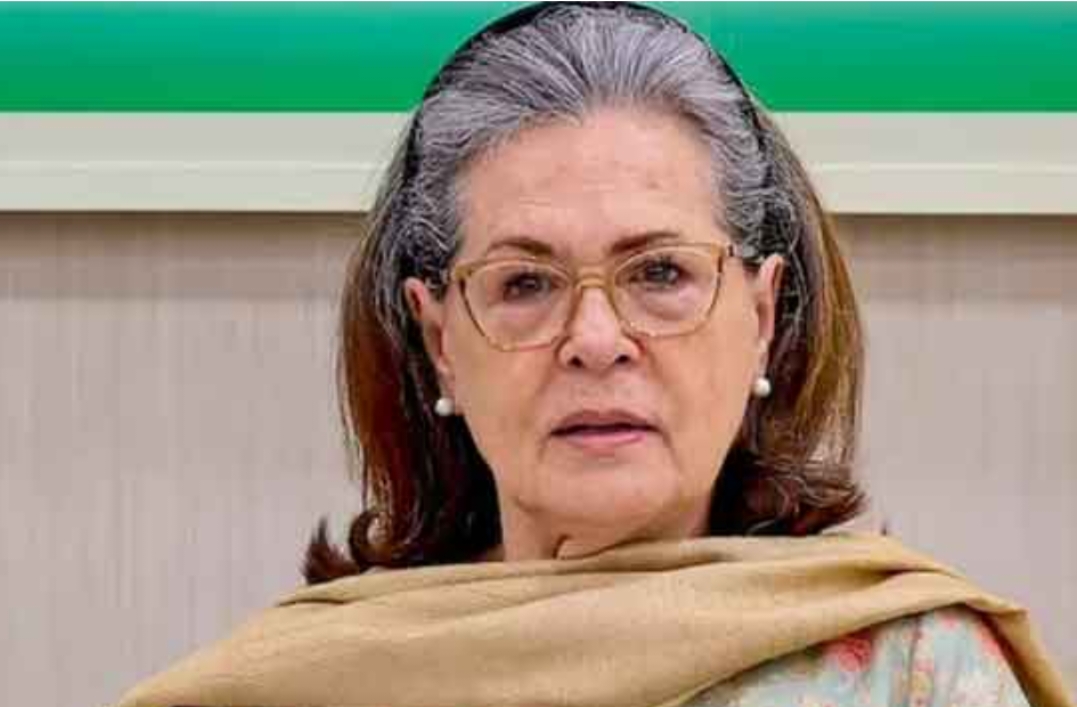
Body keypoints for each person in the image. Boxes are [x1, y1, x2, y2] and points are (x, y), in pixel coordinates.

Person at [116, 4, 1073, 707]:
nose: (596, 340)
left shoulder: (914, 673)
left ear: (761, 315)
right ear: (440, 341)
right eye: (524, 283)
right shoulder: (301, 685)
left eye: (658, 272)